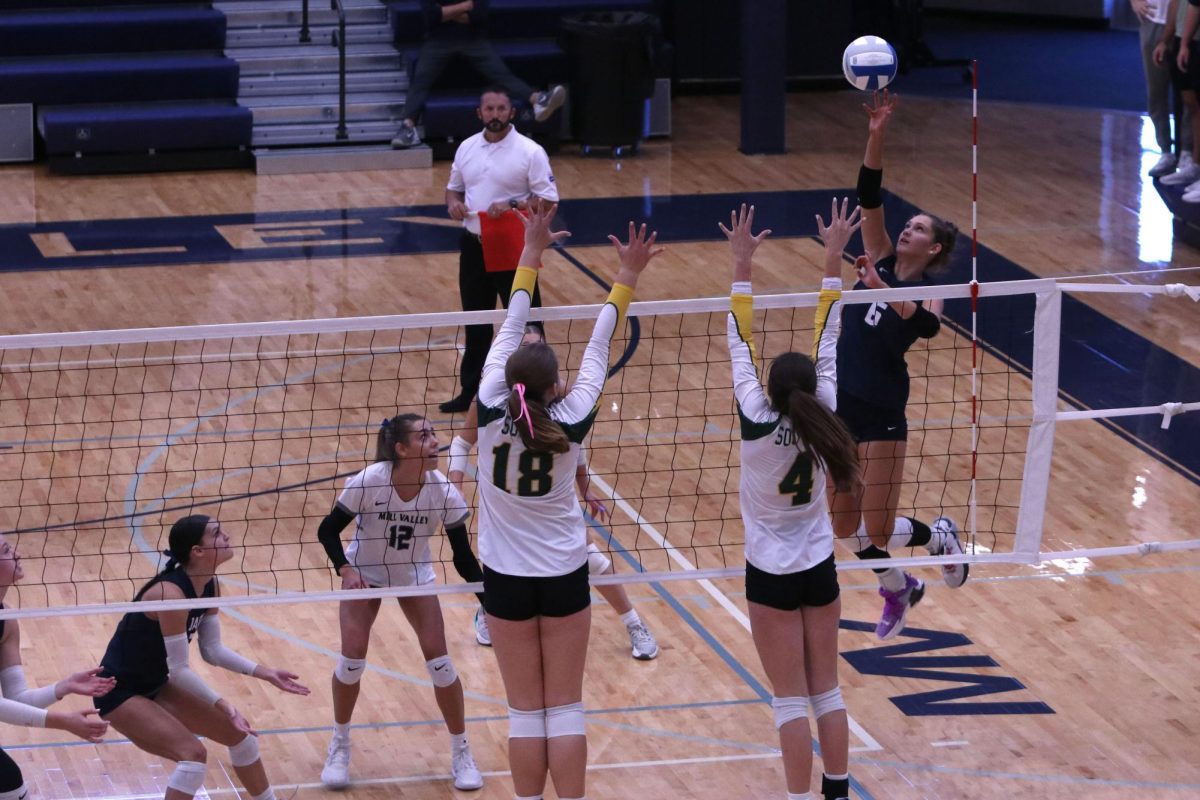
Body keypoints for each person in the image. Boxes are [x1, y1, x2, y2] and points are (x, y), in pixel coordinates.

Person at [476, 202, 660, 800]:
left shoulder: (485, 404)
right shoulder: (574, 417)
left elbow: (510, 323)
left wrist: (529, 251)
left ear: (508, 380)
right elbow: (603, 340)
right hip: (562, 571)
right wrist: (626, 276)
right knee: (567, 709)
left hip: (504, 576)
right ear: (556, 384)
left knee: (525, 714)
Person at [721, 201, 858, 800]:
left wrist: (742, 264)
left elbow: (737, 338)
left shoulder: (755, 415)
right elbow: (829, 334)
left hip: (770, 571)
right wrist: (833, 258)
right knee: (826, 689)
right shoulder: (824, 406)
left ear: (772, 389)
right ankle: (837, 788)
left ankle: (799, 797)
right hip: (817, 563)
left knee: (788, 697)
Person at [829, 90, 968, 642]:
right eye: (907, 226)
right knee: (844, 527)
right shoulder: (880, 254)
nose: (907, 231)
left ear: (933, 250)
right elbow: (868, 194)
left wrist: (880, 288)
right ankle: (900, 585)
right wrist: (876, 132)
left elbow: (927, 327)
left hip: (884, 409)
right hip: (843, 403)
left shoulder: (934, 289)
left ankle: (937, 537)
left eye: (918, 231)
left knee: (878, 527)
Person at [446, 325, 660, 661]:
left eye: (538, 345)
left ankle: (633, 622)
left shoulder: (558, 394)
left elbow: (572, 444)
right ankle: (489, 611)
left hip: (548, 500)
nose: (534, 350)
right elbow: (461, 444)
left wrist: (585, 487)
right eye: (527, 346)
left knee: (591, 557)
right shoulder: (489, 400)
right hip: (507, 499)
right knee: (503, 560)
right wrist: (454, 489)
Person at [316, 413, 485, 791]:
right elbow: (327, 530)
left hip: (414, 575)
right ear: (401, 449)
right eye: (424, 437)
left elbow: (462, 556)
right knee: (352, 660)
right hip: (365, 572)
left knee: (441, 663)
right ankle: (340, 743)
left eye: (433, 434)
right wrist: (345, 569)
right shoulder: (370, 480)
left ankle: (461, 751)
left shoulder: (442, 491)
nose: (434, 442)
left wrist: (489, 599)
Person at [94, 515, 309, 800]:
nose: (227, 536)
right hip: (117, 691)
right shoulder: (170, 594)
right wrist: (223, 703)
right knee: (193, 756)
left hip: (153, 684)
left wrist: (264, 672)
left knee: (242, 741)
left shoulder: (210, 584)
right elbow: (179, 670)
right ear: (198, 550)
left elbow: (212, 650)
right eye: (217, 534)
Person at [440, 86, 559, 415]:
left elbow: (549, 199)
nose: (495, 114)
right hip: (474, 244)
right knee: (476, 320)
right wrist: (454, 205)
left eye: (501, 109)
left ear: (512, 112)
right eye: (489, 109)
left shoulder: (529, 151)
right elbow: (453, 190)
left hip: (514, 247)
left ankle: (541, 390)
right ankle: (470, 393)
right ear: (480, 113)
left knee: (527, 322)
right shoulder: (466, 148)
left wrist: (512, 204)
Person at [0, 534, 113, 798]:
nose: (17, 554)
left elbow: (17, 699)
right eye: (6, 550)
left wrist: (63, 687)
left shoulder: (6, 619)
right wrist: (62, 721)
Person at [391, 0, 566, 149]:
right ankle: (408, 126)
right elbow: (432, 16)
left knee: (501, 74)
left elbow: (478, 16)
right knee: (421, 79)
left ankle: (538, 100)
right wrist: (465, 6)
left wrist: (446, 13)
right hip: (438, 40)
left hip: (472, 39)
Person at [1134, 0, 1191, 177]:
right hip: (1154, 18)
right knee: (1156, 92)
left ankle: (1187, 150)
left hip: (1186, 20)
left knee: (1188, 92)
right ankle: (1165, 150)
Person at [1158, 0, 1200, 193]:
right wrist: (1168, 40)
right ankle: (1195, 166)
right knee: (1191, 104)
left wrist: (1184, 42)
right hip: (1183, 37)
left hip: (1194, 39)